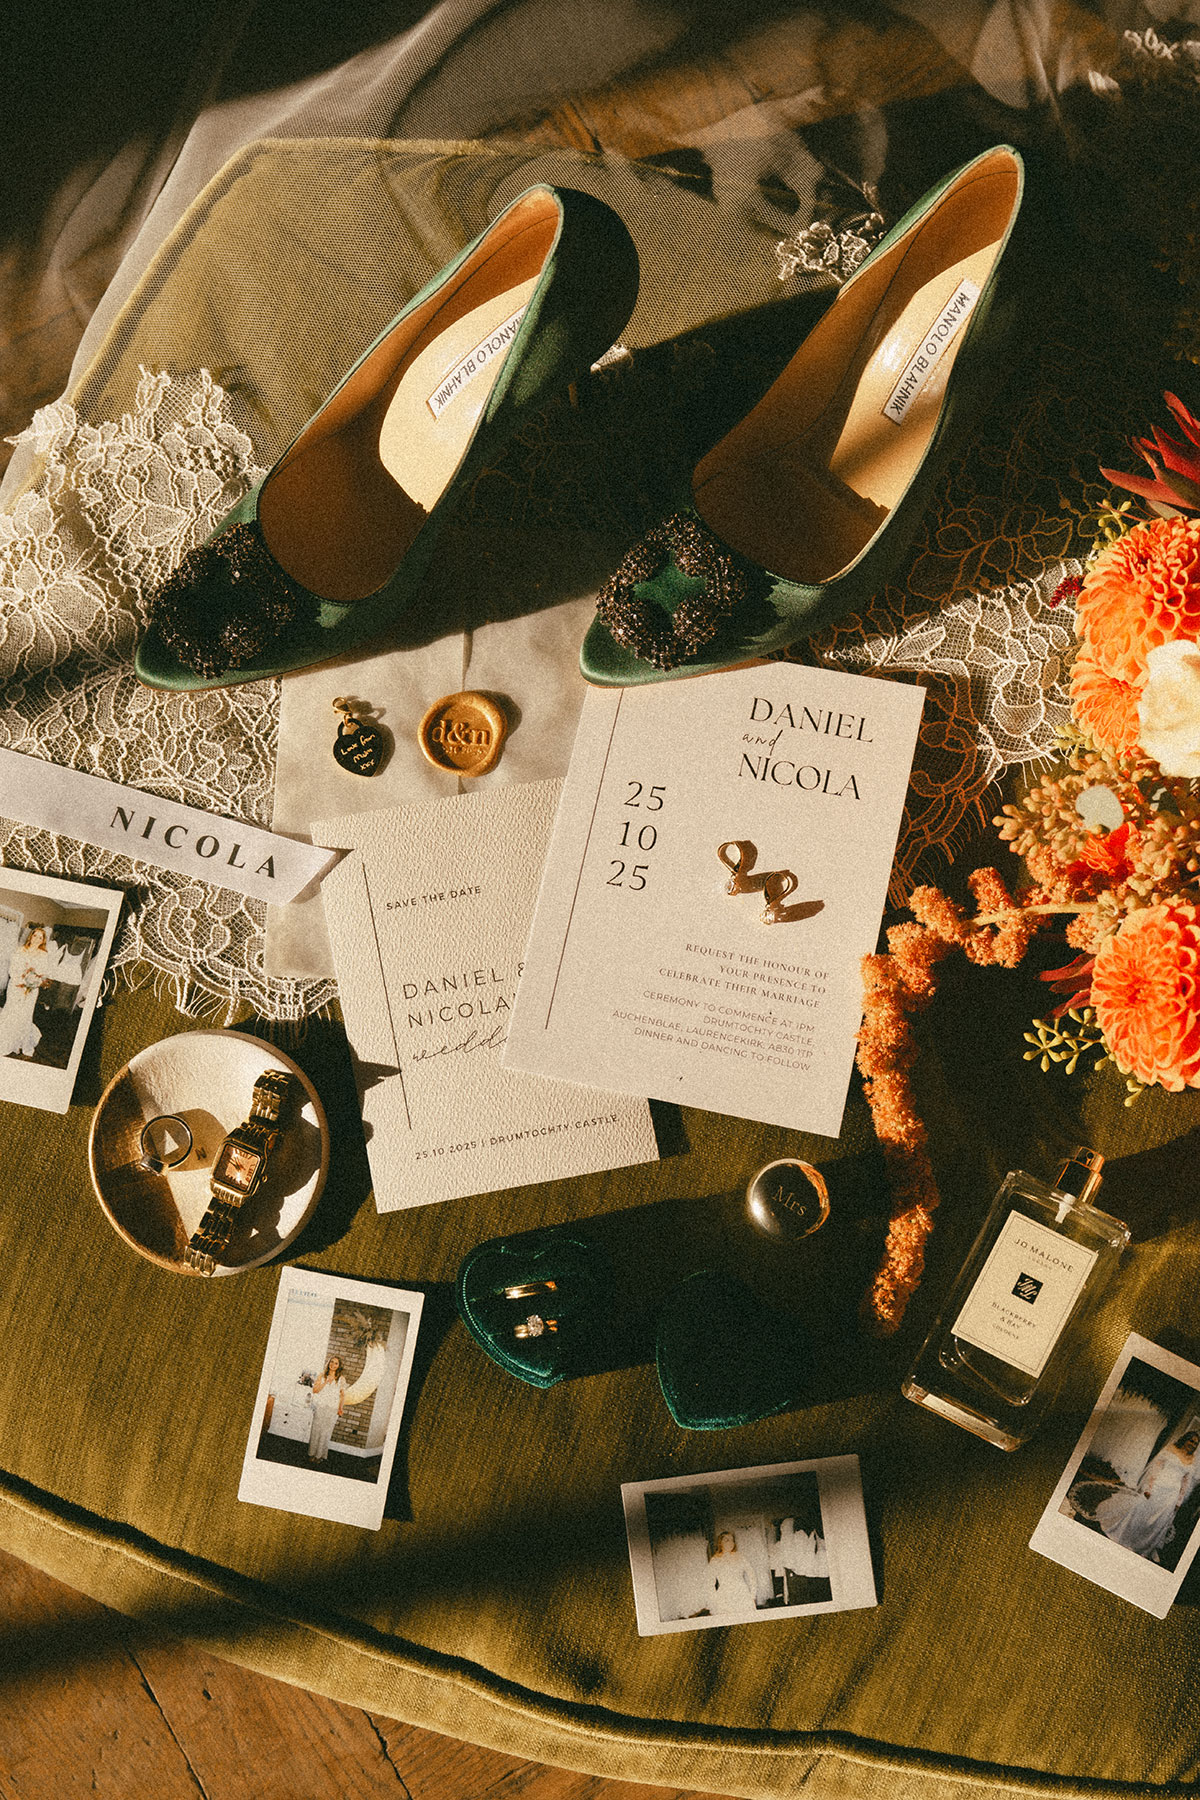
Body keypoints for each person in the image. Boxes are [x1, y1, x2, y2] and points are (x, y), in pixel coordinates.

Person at [1095, 1430, 1200, 1561]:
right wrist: (1149, 1487)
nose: (1193, 1445)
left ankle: (1144, 1546)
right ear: (1185, 1439)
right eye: (1191, 1441)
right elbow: (1156, 1468)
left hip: (1171, 1496)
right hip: (1157, 1488)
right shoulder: (1171, 1448)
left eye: (1196, 1443)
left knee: (1157, 1521)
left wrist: (1179, 1501)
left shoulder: (1192, 1460)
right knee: (1140, 1512)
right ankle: (1125, 1536)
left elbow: (1185, 1483)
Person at [0, 925, 53, 1060]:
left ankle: (19, 1041)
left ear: (43, 940)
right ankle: (5, 1041)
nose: (36, 939)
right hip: (16, 986)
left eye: (40, 937)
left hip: (31, 989)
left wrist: (32, 981)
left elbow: (43, 973)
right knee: (11, 1011)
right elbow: (13, 969)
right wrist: (21, 980)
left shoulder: (44, 954)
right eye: (35, 935)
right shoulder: (20, 950)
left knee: (24, 1014)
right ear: (31, 936)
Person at [706, 1531, 759, 1617]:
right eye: (727, 1540)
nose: (731, 1543)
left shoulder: (740, 1557)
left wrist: (752, 1595)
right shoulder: (715, 1560)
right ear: (720, 1543)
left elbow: (752, 1575)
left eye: (732, 1540)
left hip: (742, 1593)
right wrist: (714, 1601)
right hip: (724, 1596)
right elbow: (709, 1583)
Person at [307, 1355, 346, 1461]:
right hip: (321, 1406)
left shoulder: (341, 1379)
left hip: (332, 1409)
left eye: (336, 1363)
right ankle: (312, 1454)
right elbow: (315, 1390)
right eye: (331, 1362)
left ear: (339, 1366)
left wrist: (340, 1408)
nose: (333, 1365)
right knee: (316, 1430)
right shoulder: (321, 1375)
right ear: (328, 1363)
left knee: (326, 1432)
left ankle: (320, 1455)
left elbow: (342, 1395)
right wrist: (325, 1382)